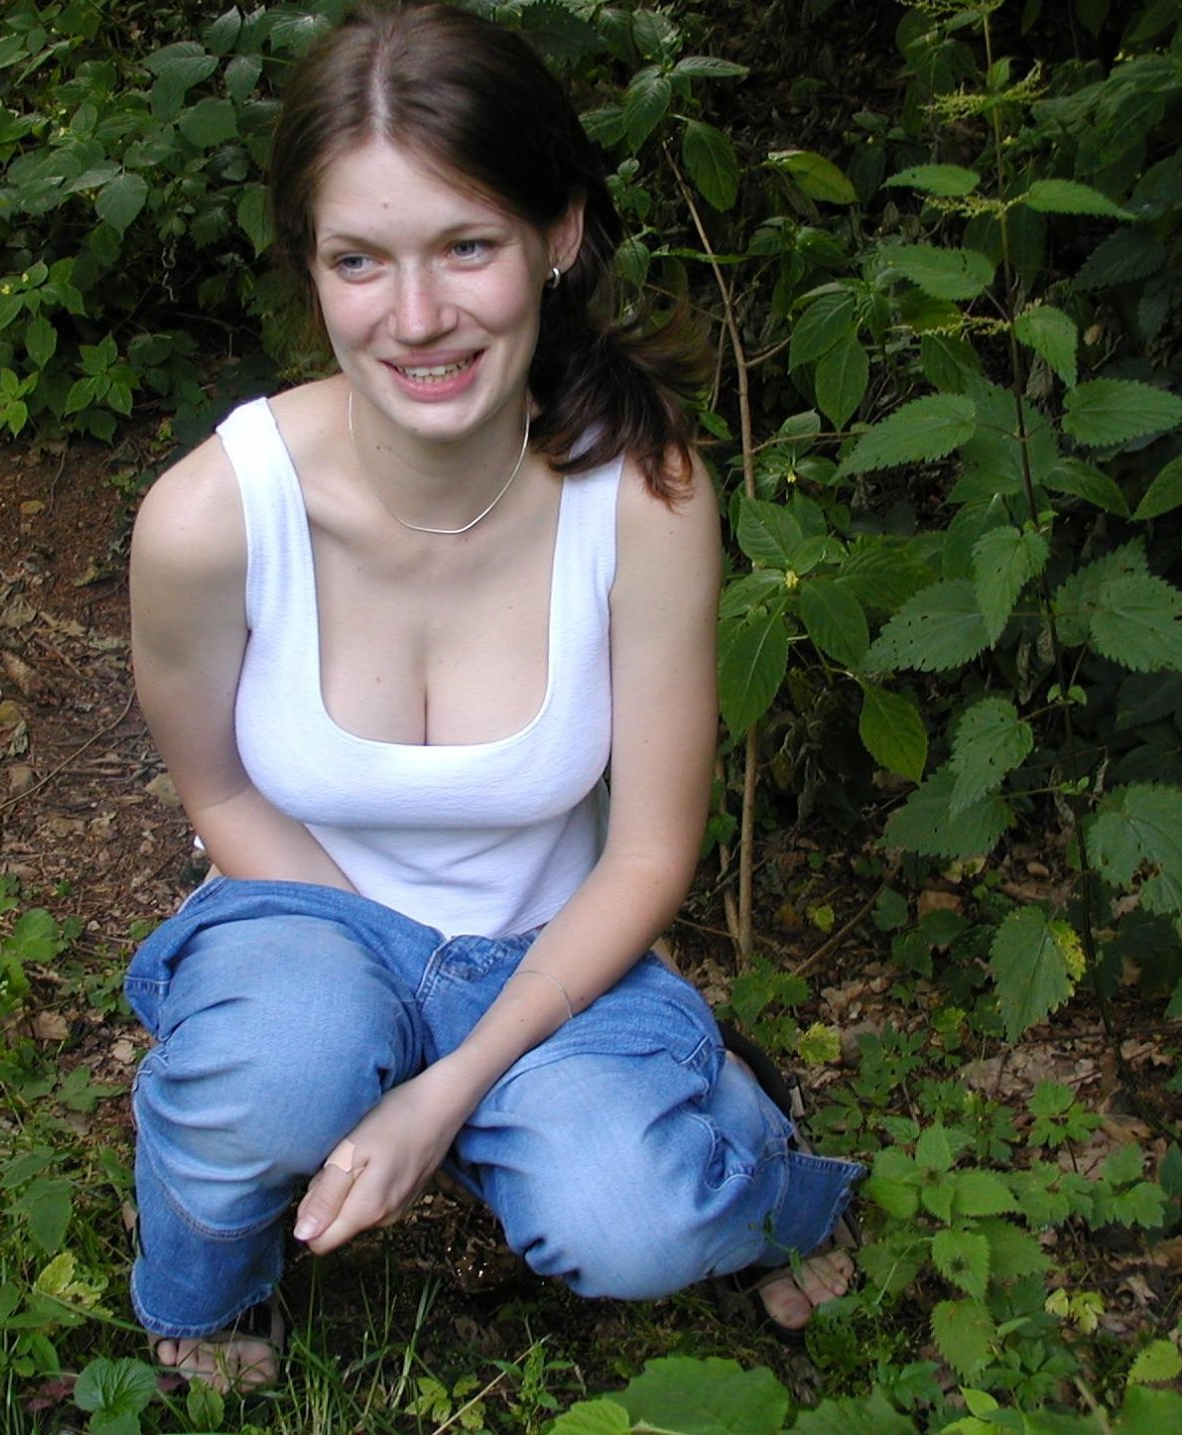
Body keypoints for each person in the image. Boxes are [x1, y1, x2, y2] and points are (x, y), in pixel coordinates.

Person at [124, 0, 862, 1393]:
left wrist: (446, 1083)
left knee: (632, 1222)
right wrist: (380, 1008)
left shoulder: (643, 497)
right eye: (360, 259)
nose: (417, 319)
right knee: (287, 1063)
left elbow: (649, 851)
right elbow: (215, 787)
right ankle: (211, 1292)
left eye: (467, 245)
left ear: (558, 235)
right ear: (310, 267)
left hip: (551, 954)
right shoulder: (211, 518)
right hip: (307, 928)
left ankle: (735, 1139)